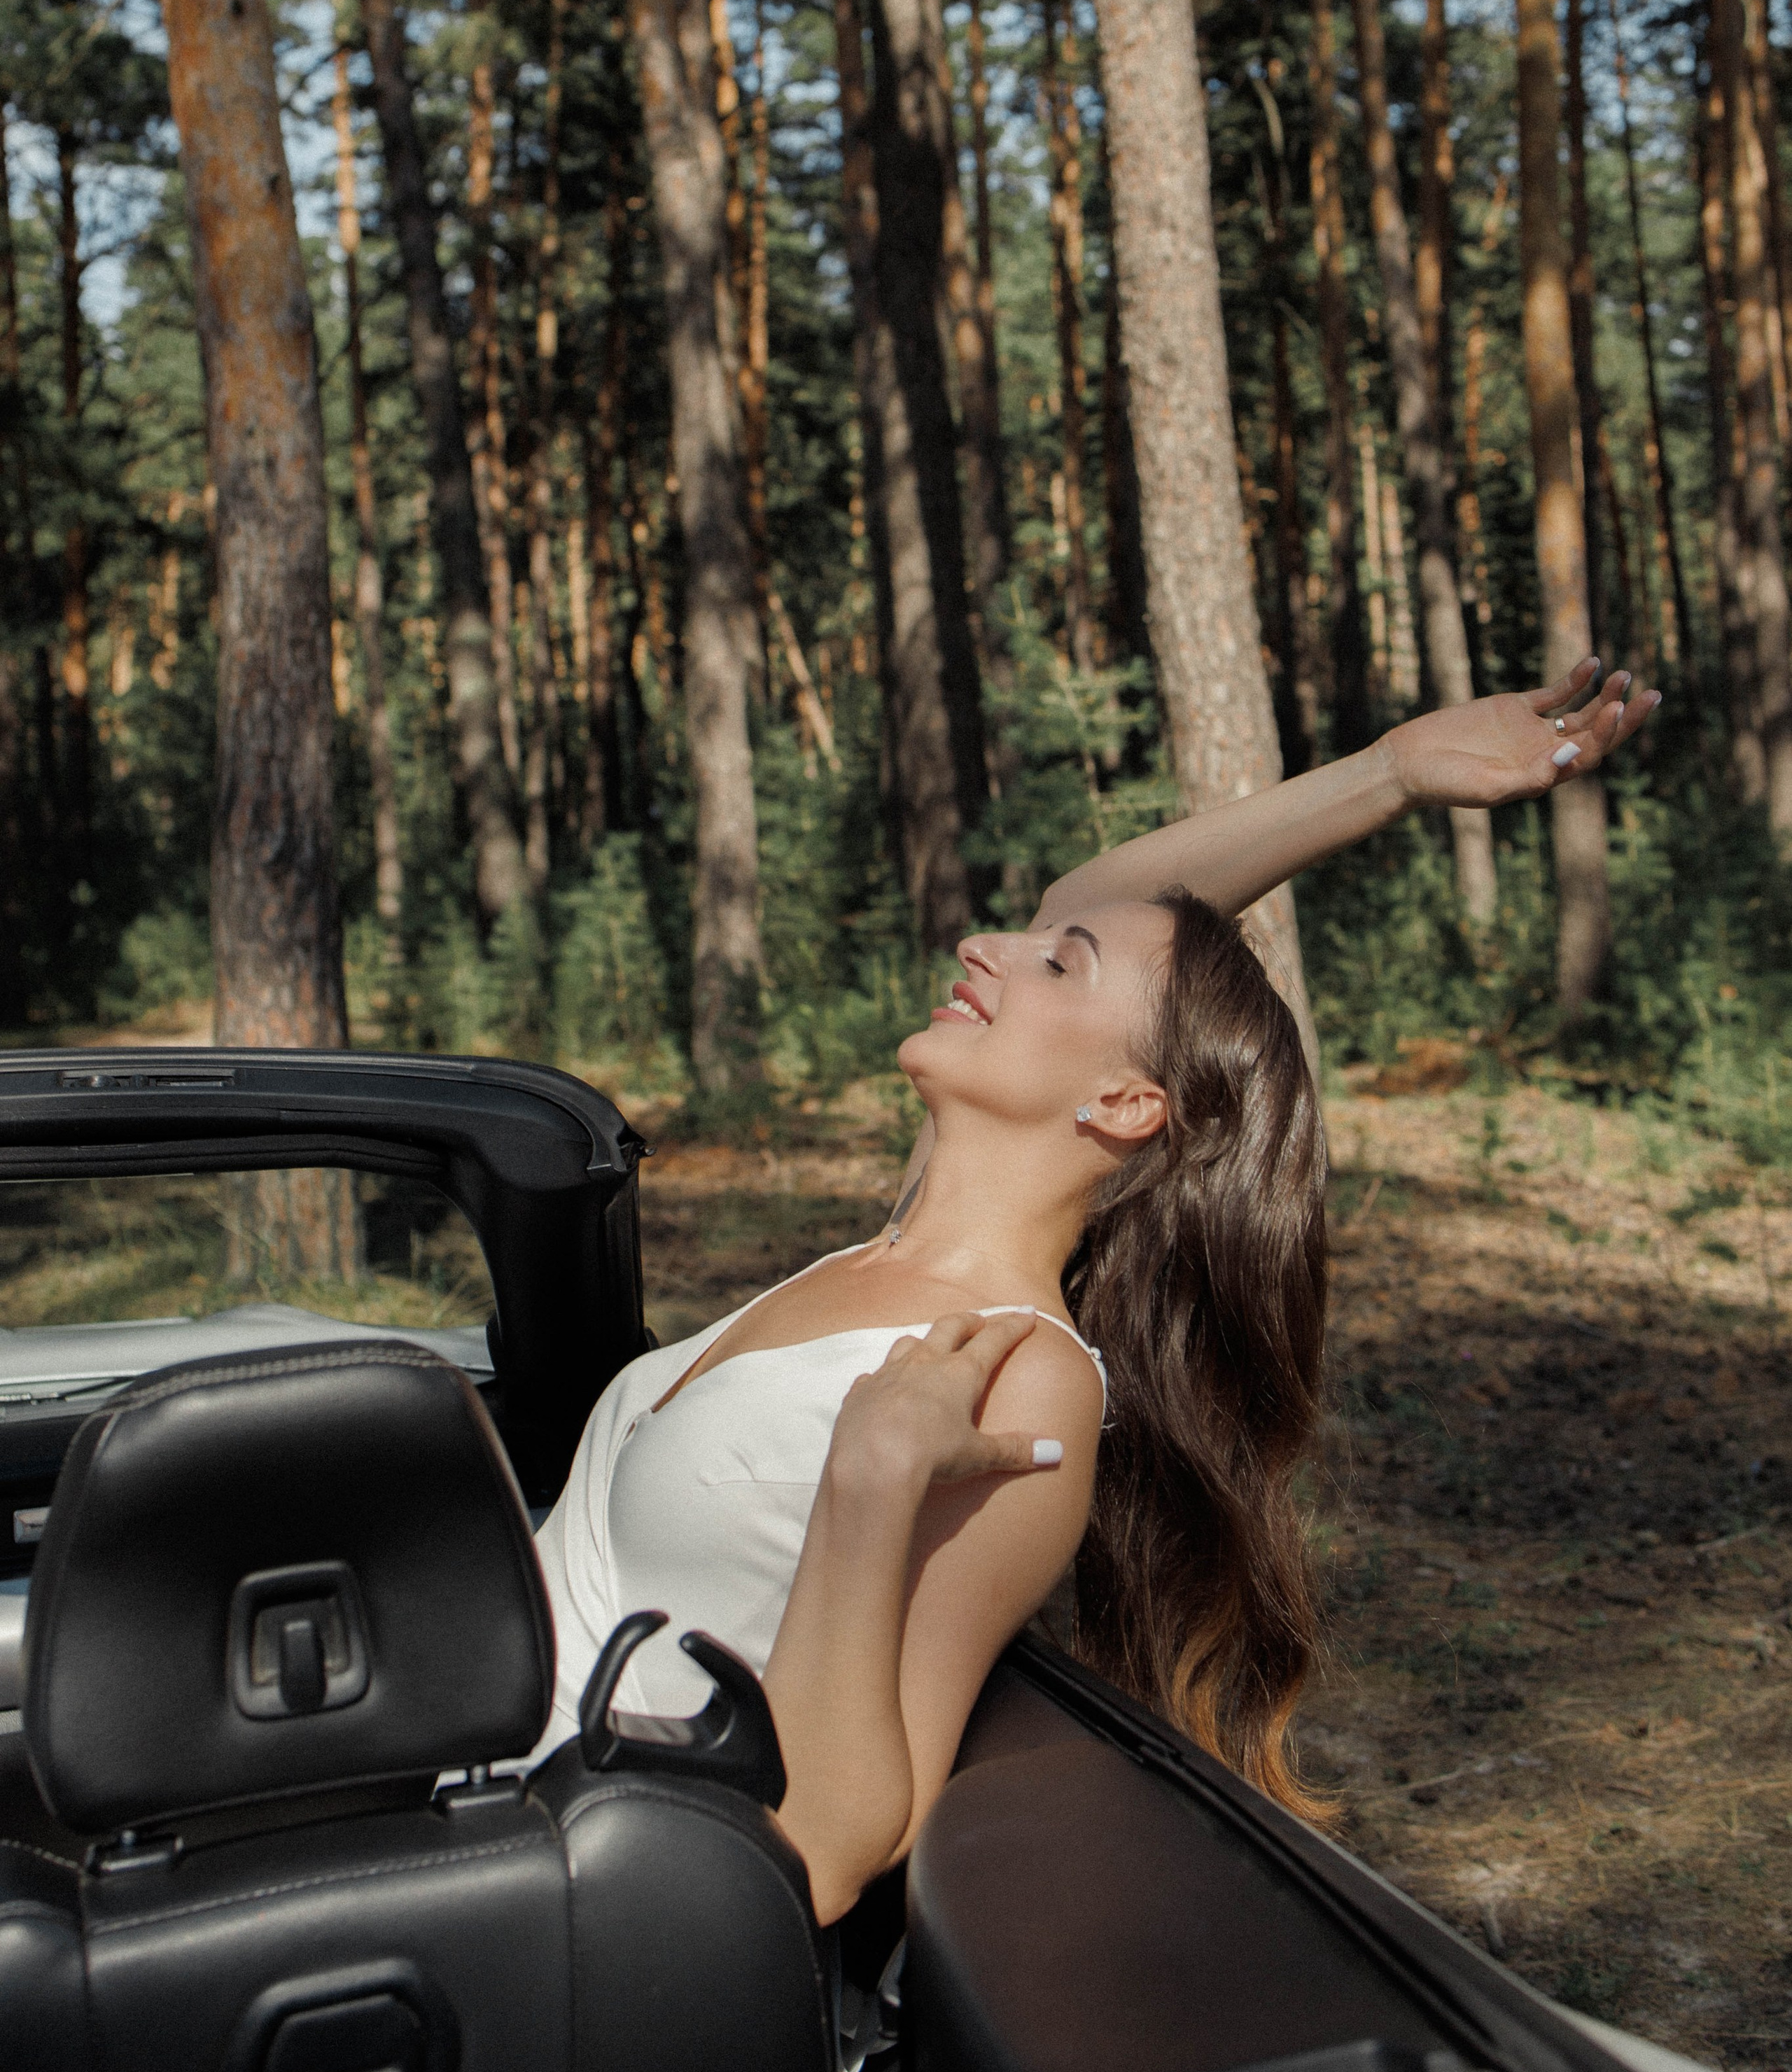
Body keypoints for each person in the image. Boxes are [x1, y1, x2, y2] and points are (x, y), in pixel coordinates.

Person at [533, 664, 1658, 1922]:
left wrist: (871, 1480)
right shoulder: (896, 1254)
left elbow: (834, 1846)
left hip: (550, 1902)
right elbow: (1096, 904)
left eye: (1055, 968)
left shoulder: (1025, 1376)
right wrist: (1392, 773)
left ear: (1125, 1104)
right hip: (452, 1788)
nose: (987, 945)